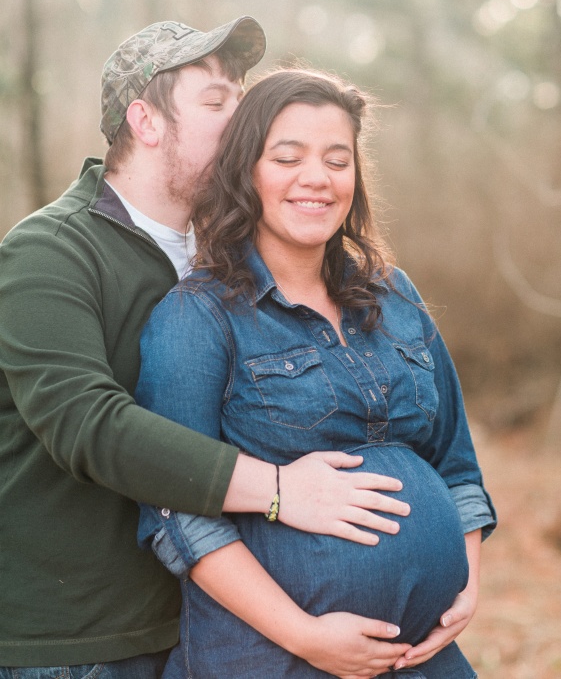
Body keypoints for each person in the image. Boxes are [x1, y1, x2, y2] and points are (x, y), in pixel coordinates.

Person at [0, 20, 416, 678]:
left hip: (199, 629)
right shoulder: (49, 253)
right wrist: (279, 490)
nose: (243, 120)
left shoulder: (223, 263)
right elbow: (86, 424)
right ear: (146, 120)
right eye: (218, 102)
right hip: (74, 647)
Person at [136, 68, 497, 678]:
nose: (317, 178)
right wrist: (306, 637)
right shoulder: (197, 317)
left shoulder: (395, 295)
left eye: (337, 159)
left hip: (422, 658)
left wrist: (463, 588)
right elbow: (178, 514)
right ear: (246, 170)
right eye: (287, 157)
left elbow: (455, 463)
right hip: (271, 657)